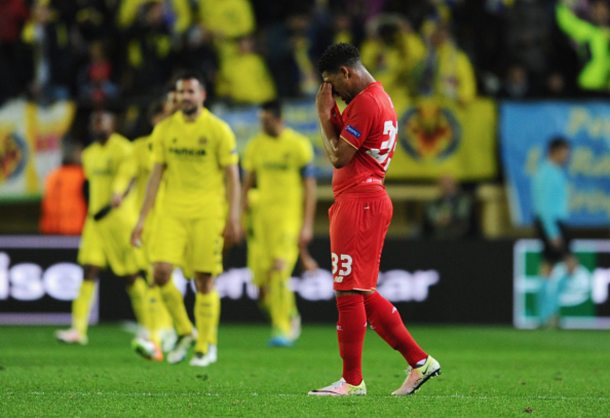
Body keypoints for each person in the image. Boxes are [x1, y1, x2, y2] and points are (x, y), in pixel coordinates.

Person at [309, 43, 441, 396]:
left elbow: (339, 157)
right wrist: (335, 114)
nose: (329, 91)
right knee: (361, 292)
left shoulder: (366, 103)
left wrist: (324, 115)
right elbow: (352, 147)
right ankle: (419, 362)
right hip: (363, 198)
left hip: (361, 200)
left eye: (330, 82)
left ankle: (352, 381)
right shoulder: (375, 98)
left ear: (345, 73)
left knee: (348, 291)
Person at [131, 71, 241, 367]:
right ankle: (184, 330)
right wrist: (142, 219)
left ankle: (206, 346)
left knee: (204, 280)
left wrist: (234, 215)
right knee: (160, 273)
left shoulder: (218, 129)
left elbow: (232, 176)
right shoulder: (165, 130)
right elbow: (155, 176)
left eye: (191, 92)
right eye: (180, 92)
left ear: (202, 96)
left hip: (207, 212)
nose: (185, 97)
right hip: (171, 212)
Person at [56, 111, 149, 345]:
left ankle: (149, 326)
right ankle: (78, 329)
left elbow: (128, 179)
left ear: (113, 124)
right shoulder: (89, 154)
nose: (98, 127)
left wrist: (117, 198)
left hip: (119, 220)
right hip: (95, 221)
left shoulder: (123, 149)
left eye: (102, 122)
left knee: (131, 275)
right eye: (95, 123)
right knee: (88, 270)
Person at [241, 100, 317, 346]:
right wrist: (238, 217)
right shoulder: (255, 146)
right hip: (261, 223)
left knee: (279, 269)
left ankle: (282, 329)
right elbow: (247, 183)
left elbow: (310, 188)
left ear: (279, 119)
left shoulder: (298, 146)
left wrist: (306, 224)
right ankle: (290, 315)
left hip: (288, 220)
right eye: (261, 121)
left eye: (267, 121)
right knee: (261, 289)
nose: (263, 125)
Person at [129, 101, 177, 361]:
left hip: (172, 220)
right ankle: (163, 331)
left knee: (159, 276)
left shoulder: (179, 145)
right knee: (153, 277)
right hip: (147, 221)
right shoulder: (140, 148)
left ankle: (165, 332)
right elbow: (127, 176)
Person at [532, 137, 576, 327]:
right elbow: (544, 207)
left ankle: (545, 316)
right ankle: (548, 315)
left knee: (547, 268)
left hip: (553, 224)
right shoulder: (547, 173)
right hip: (552, 224)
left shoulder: (552, 172)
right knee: (570, 265)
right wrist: (553, 233)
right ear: (555, 151)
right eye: (565, 152)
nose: (567, 157)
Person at [40, 140, 87, 236]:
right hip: (75, 233)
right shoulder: (82, 175)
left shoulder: (51, 176)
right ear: (76, 152)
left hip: (50, 235)